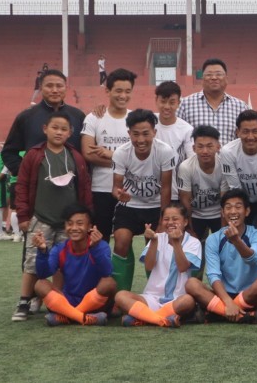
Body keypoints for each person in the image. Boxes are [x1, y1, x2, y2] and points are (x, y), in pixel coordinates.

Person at [13, 113, 93, 322]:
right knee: (32, 261)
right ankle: (24, 301)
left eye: (63, 129)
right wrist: (23, 215)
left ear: (70, 133)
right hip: (41, 218)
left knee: (63, 263)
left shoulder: (75, 156)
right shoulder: (34, 155)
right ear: (45, 128)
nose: (59, 132)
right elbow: (21, 186)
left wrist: (87, 218)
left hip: (69, 223)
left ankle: (56, 300)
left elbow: (84, 187)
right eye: (54, 127)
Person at [110, 109, 176, 294]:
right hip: (130, 205)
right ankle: (121, 293)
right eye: (136, 134)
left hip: (156, 206)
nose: (141, 140)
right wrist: (119, 194)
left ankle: (155, 292)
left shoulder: (164, 151)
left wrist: (164, 220)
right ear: (129, 133)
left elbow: (166, 188)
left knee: (154, 242)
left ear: (154, 132)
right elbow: (115, 187)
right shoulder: (121, 153)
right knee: (121, 241)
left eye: (146, 134)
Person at [185, 189, 257, 324]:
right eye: (228, 207)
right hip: (224, 294)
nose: (233, 211)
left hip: (250, 293)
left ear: (247, 211)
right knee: (191, 283)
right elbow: (213, 274)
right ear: (223, 213)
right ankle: (242, 315)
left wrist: (236, 241)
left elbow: (254, 260)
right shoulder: (213, 239)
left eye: (238, 207)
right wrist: (228, 302)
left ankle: (217, 314)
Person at [116, 203, 200, 327]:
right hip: (152, 297)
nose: (170, 222)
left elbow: (183, 267)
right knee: (120, 296)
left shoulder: (193, 242)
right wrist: (153, 242)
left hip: (177, 298)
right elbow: (149, 266)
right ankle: (160, 319)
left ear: (185, 222)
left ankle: (144, 318)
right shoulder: (157, 238)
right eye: (166, 219)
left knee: (188, 301)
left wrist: (176, 243)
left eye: (175, 219)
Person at [33, 204, 115, 326]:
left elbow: (106, 272)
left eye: (80, 223)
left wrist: (94, 248)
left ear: (89, 227)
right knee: (40, 284)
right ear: (65, 226)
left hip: (95, 304)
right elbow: (43, 273)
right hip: (67, 301)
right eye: (70, 224)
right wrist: (42, 251)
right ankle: (83, 318)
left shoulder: (100, 246)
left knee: (109, 283)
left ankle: (69, 316)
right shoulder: (60, 249)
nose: (74, 228)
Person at [81, 68, 136, 245]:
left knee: (125, 241)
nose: (123, 96)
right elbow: (88, 154)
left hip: (129, 191)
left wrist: (110, 155)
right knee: (98, 239)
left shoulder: (136, 118)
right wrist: (124, 161)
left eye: (127, 91)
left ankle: (119, 274)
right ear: (107, 91)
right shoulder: (94, 118)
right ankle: (99, 273)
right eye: (118, 90)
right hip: (101, 189)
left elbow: (141, 157)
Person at [2, 70, 85, 181]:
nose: (55, 90)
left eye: (59, 86)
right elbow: (9, 152)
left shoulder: (78, 116)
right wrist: (26, 172)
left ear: (66, 88)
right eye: (49, 86)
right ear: (41, 88)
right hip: (36, 188)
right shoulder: (26, 117)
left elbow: (85, 151)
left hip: (72, 186)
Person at [177, 58, 248, 146]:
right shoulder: (185, 105)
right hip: (196, 159)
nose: (214, 78)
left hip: (230, 160)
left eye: (218, 74)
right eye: (209, 75)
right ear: (202, 79)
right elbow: (178, 136)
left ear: (226, 79)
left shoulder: (240, 107)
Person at [178, 126, 224, 241]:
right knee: (190, 246)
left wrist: (224, 230)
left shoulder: (224, 164)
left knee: (223, 246)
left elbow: (225, 200)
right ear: (194, 148)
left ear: (218, 147)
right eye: (200, 146)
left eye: (209, 146)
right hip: (196, 214)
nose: (205, 151)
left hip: (219, 214)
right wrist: (190, 230)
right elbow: (185, 200)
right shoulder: (186, 167)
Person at [153, 81, 194, 202]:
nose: (167, 107)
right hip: (148, 195)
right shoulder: (148, 123)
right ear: (156, 100)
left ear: (178, 103)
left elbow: (192, 162)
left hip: (174, 194)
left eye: (172, 102)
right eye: (163, 101)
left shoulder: (186, 130)